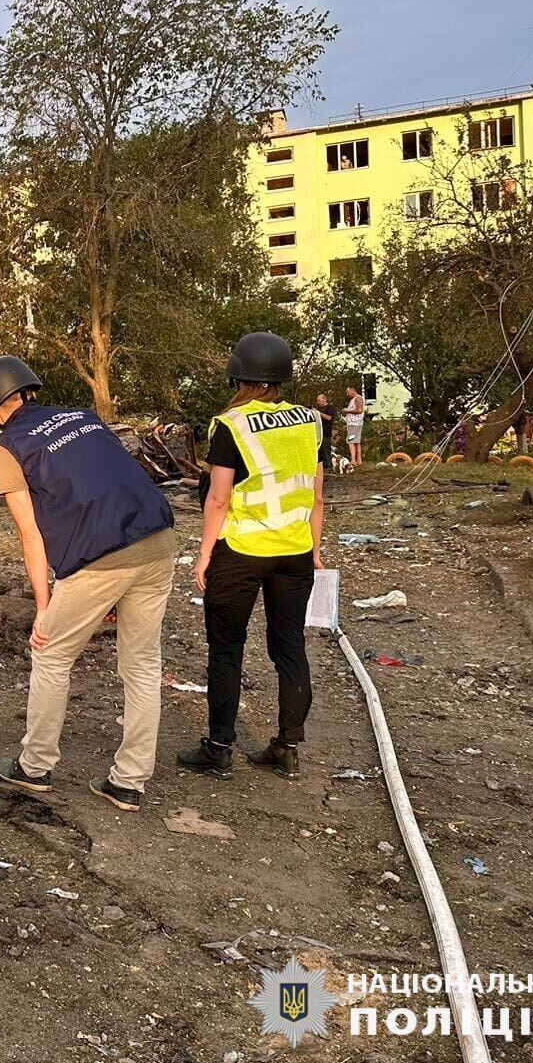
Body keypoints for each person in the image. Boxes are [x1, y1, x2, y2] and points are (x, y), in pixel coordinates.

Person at [0, 356, 178, 812]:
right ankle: (129, 782)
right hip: (158, 540)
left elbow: (31, 535)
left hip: (100, 554)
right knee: (142, 664)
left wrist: (44, 605)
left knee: (50, 653)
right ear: (29, 391)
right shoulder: (84, 417)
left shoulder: (9, 447)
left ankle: (35, 767)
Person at [178, 332, 327, 782]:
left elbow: (218, 499)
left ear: (238, 374)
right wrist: (315, 549)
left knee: (226, 648)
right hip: (295, 552)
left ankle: (219, 747)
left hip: (240, 551)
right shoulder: (313, 422)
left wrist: (203, 555)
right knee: (290, 647)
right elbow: (318, 495)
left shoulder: (230, 425)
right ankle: (287, 747)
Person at [343, 386, 366, 468]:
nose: (347, 394)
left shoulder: (358, 398)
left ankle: (353, 460)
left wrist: (347, 410)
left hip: (354, 423)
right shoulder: (355, 399)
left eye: (348, 392)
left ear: (353, 390)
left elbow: (359, 410)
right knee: (356, 442)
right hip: (355, 423)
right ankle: (358, 460)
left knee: (351, 441)